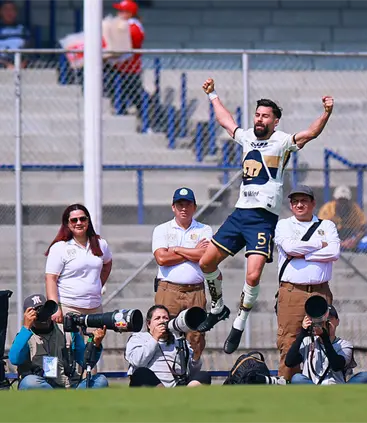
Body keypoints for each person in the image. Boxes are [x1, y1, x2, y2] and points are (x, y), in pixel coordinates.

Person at [197, 77, 335, 355]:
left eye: (265, 116)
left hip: (262, 220)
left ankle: (240, 321)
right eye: (257, 115)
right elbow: (226, 122)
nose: (259, 119)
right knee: (206, 262)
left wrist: (326, 113)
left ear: (275, 121)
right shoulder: (247, 136)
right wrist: (212, 95)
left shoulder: (282, 142)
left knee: (254, 273)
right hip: (239, 215)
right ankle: (218, 307)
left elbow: (310, 133)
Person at [274, 185, 340, 381]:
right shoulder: (284, 225)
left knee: (324, 337)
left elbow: (334, 252)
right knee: (289, 342)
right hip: (292, 292)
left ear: (313, 203)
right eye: (295, 202)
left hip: (321, 291)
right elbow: (290, 247)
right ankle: (286, 386)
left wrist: (304, 254)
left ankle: (326, 383)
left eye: (304, 201)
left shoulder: (327, 226)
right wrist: (320, 245)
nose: (299, 205)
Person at [152, 187, 212, 361]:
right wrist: (192, 252)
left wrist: (177, 249)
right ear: (173, 207)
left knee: (196, 337)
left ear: (194, 207)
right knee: (165, 332)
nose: (184, 208)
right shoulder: (162, 229)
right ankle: (167, 375)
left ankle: (191, 376)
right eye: (180, 205)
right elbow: (161, 258)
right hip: (168, 290)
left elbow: (205, 255)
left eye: (188, 204)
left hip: (195, 292)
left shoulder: (204, 229)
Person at [8, 294, 108, 390]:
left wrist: (96, 344)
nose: (43, 316)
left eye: (45, 310)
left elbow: (85, 362)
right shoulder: (25, 336)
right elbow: (14, 359)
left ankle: (68, 399)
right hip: (43, 386)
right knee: (30, 382)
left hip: (69, 385)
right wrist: (26, 328)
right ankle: (58, 399)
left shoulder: (66, 330)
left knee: (100, 380)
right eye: (37, 313)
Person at [45, 204, 113, 324]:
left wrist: (97, 285)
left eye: (82, 219)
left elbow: (107, 264)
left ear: (88, 221)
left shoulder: (101, 244)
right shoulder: (60, 247)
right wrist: (55, 308)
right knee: (69, 343)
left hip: (95, 308)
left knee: (95, 342)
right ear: (67, 223)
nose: (79, 223)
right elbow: (51, 278)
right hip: (68, 307)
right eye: (74, 220)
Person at [285, 303, 367, 385]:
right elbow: (289, 362)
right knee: (297, 378)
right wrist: (303, 332)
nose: (326, 322)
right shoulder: (308, 341)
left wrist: (325, 337)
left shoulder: (344, 345)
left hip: (338, 387)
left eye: (329, 318)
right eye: (322, 319)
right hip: (313, 387)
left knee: (365, 376)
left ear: (337, 321)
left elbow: (336, 365)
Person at [125, 305, 211, 387]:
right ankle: (164, 395)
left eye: (165, 318)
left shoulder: (178, 341)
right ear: (148, 323)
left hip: (176, 386)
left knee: (204, 376)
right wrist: (155, 338)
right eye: (157, 318)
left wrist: (196, 355)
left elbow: (192, 372)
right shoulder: (139, 338)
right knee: (141, 373)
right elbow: (138, 362)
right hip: (152, 386)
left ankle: (183, 395)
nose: (162, 321)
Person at [106, 0, 145, 116]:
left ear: (129, 13)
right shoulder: (124, 25)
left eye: (122, 11)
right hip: (119, 66)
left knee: (134, 94)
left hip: (130, 67)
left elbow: (131, 43)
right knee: (118, 90)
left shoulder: (134, 26)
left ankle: (148, 117)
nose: (118, 13)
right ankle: (121, 110)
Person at [317, 185, 367, 251]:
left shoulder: (355, 209)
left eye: (345, 200)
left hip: (350, 236)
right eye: (340, 200)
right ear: (335, 200)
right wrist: (340, 243)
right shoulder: (327, 209)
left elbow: (363, 229)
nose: (342, 203)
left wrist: (354, 240)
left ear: (349, 201)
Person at [0, 0, 31, 69]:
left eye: (12, 9)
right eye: (5, 9)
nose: (9, 13)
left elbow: (29, 50)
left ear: (16, 12)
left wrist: (22, 64)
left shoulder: (22, 30)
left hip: (20, 64)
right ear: (1, 12)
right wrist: (6, 65)